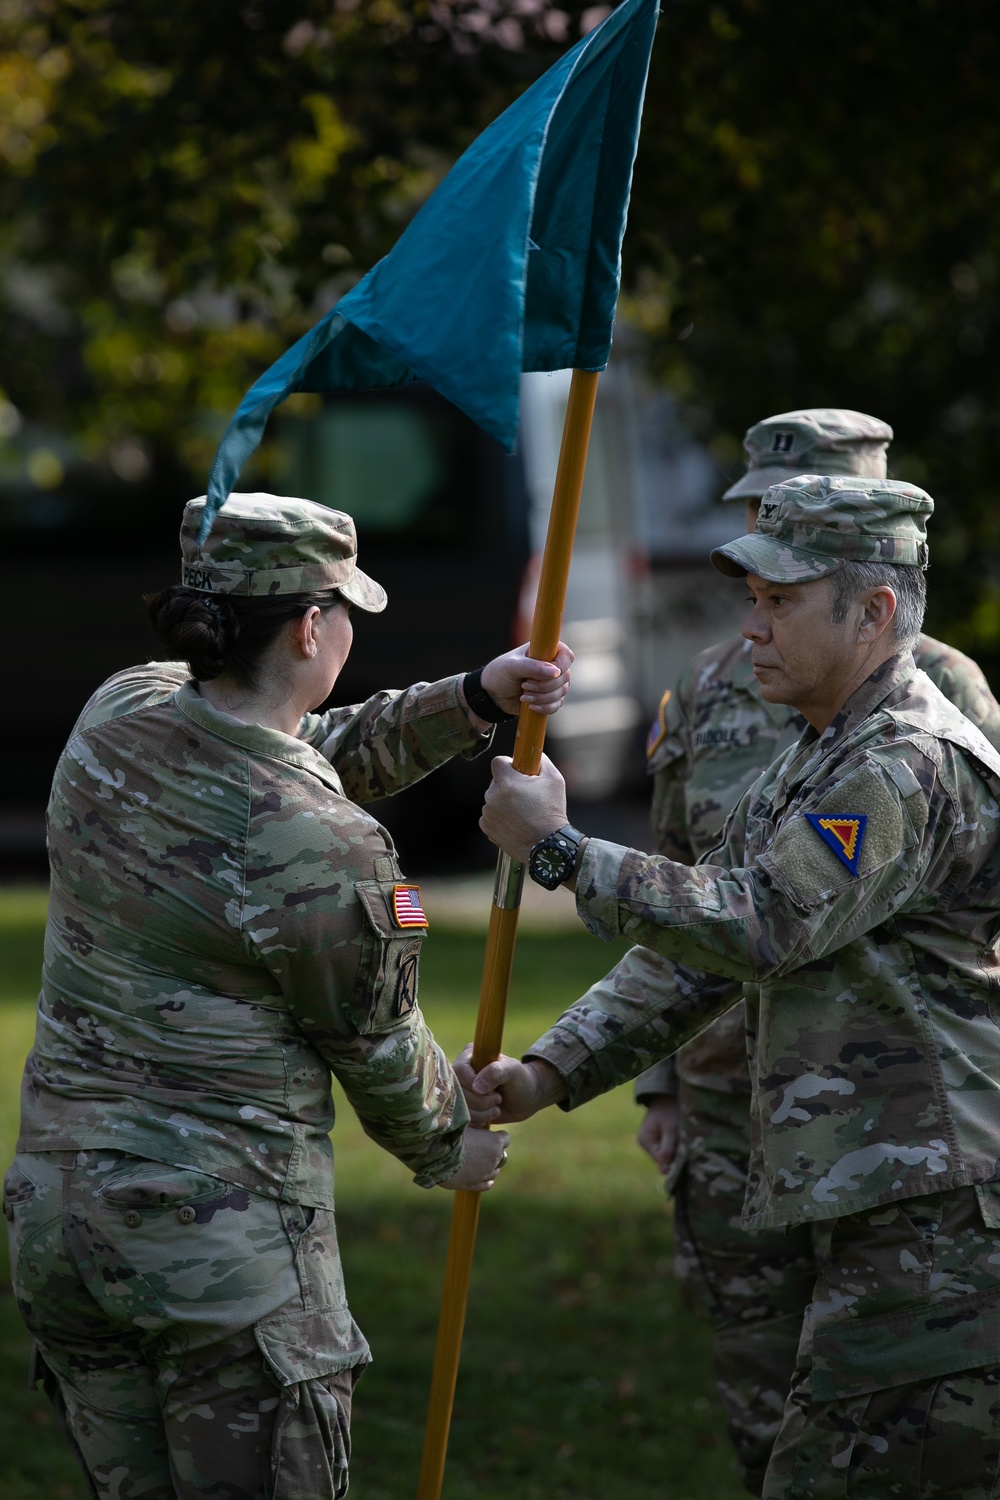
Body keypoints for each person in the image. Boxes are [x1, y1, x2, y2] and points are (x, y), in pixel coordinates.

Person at [3, 491, 573, 1500]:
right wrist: (457, 1143)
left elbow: (294, 756)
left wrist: (474, 699)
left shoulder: (122, 711)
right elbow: (378, 1044)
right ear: (313, 627)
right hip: (221, 1246)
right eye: (346, 611)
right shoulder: (328, 846)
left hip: (63, 1227)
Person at [464, 475, 1000, 1500]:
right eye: (750, 601)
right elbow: (694, 950)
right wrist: (547, 1072)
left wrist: (564, 854)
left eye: (780, 602)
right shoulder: (814, 755)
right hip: (883, 1212)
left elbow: (760, 925)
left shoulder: (902, 765)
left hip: (938, 1226)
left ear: (874, 612)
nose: (749, 629)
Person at [636, 410, 1000, 1493]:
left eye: (794, 523)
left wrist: (557, 851)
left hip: (896, 1141)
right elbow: (682, 876)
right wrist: (652, 1082)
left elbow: (758, 914)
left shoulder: (928, 715)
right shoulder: (723, 688)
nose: (767, 529)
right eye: (759, 511)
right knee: (771, 1409)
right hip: (734, 1106)